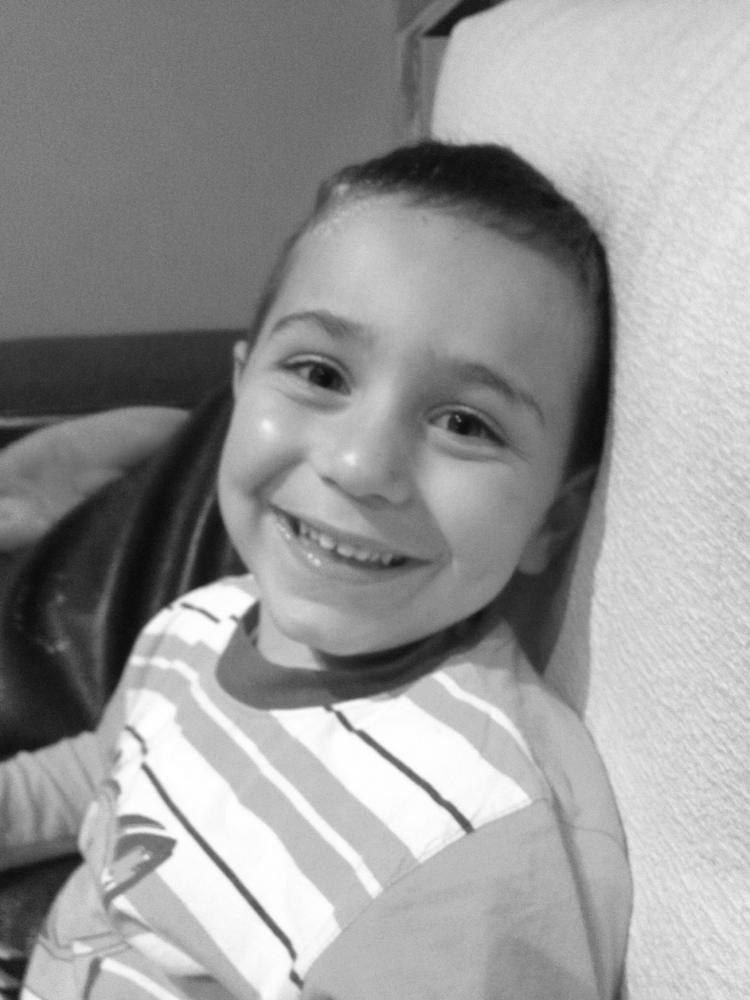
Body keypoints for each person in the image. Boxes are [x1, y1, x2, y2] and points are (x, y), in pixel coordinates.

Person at [0, 141, 631, 1000]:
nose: (361, 464)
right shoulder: (194, 628)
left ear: (553, 520)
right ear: (240, 387)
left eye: (465, 423)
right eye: (320, 373)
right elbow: (109, 772)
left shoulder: (470, 840)